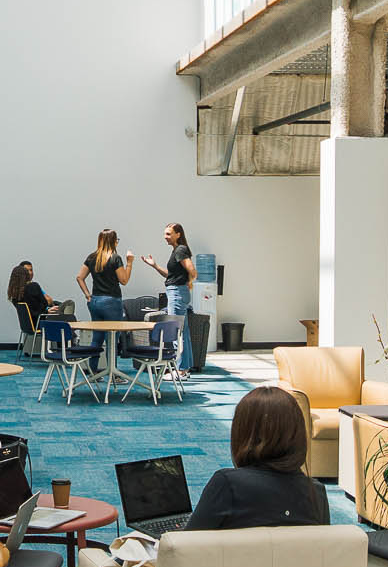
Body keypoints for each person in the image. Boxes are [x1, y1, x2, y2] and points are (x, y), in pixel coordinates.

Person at [187, 385, 330, 531]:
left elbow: (184, 548)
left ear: (243, 434)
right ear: (298, 435)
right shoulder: (316, 493)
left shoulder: (228, 485)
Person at [141, 222, 202, 373]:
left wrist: (189, 282)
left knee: (176, 331)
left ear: (178, 234)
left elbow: (192, 271)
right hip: (176, 291)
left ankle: (180, 369)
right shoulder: (177, 251)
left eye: (168, 234)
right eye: (165, 234)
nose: (165, 237)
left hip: (177, 293)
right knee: (183, 331)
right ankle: (184, 367)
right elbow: (171, 276)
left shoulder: (181, 250)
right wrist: (155, 266)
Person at [76, 229, 134, 323]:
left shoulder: (91, 257)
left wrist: (88, 295)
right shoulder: (115, 258)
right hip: (112, 301)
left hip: (95, 301)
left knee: (97, 335)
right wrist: (129, 263)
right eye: (116, 240)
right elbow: (124, 281)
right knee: (112, 334)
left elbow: (79, 277)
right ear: (113, 241)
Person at [7, 261, 61, 329]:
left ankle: (71, 337)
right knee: (68, 312)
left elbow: (32, 311)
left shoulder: (14, 295)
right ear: (25, 275)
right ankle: (70, 338)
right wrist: (47, 310)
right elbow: (45, 304)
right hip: (41, 321)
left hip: (28, 325)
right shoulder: (33, 286)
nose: (30, 273)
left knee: (64, 310)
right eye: (27, 271)